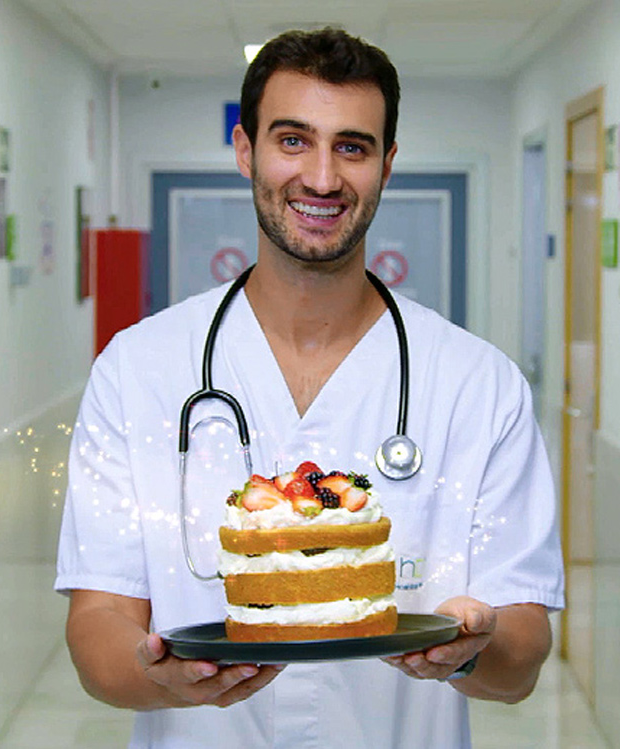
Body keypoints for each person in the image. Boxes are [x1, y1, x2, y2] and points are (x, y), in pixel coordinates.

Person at [55, 27, 564, 748]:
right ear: (245, 150)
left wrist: (472, 648)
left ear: (387, 165)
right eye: (292, 140)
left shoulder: (479, 385)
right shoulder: (137, 371)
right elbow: (95, 628)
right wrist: (157, 676)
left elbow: (521, 657)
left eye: (351, 147)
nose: (322, 178)